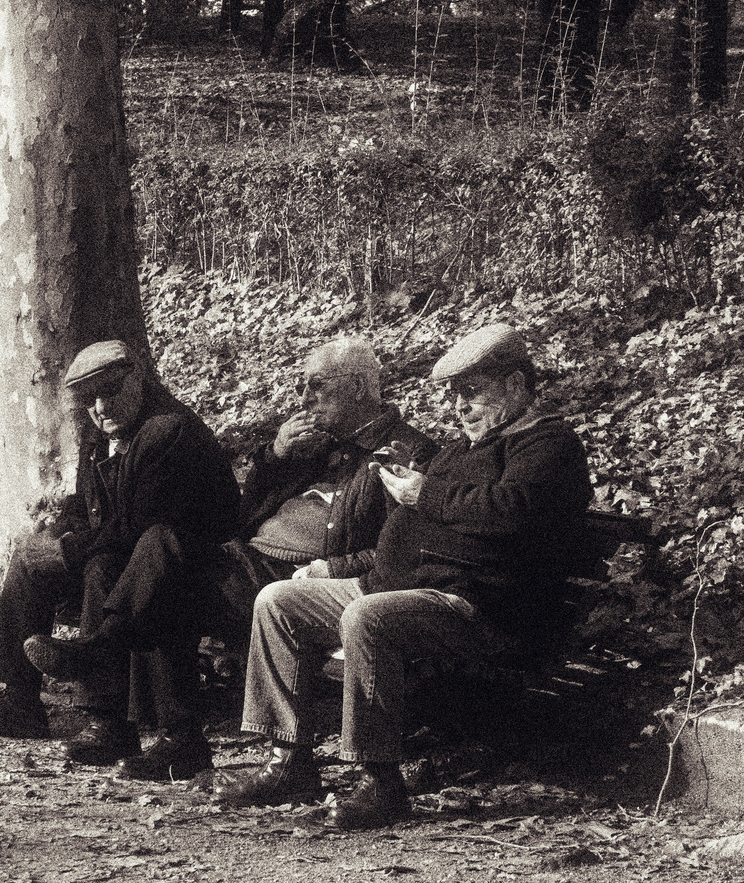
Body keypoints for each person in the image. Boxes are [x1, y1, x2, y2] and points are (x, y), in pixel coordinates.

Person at [214, 323, 592, 829]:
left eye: (472, 392)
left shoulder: (549, 445)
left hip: (478, 604)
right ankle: (289, 760)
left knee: (368, 617)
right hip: (397, 587)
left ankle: (380, 782)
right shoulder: (462, 452)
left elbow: (514, 511)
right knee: (279, 600)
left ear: (517, 386)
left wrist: (424, 495)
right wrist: (343, 565)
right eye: (456, 394)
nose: (460, 406)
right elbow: (406, 531)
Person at [111, 336, 438, 781]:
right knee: (161, 551)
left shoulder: (407, 452)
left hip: (310, 580)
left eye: (316, 386)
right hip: (253, 561)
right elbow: (243, 511)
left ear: (360, 388)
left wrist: (333, 569)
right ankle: (178, 737)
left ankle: (160, 713)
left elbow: (400, 549)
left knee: (167, 581)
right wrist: (276, 456)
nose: (304, 399)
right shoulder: (314, 444)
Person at [0, 339, 241, 772]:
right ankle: (19, 699)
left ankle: (110, 723)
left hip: (193, 567)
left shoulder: (167, 429)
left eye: (110, 392)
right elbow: (96, 512)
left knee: (101, 567)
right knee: (32, 559)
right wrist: (58, 537)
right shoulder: (103, 436)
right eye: (90, 399)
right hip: (136, 554)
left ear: (138, 379)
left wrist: (69, 550)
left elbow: (140, 526)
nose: (101, 407)